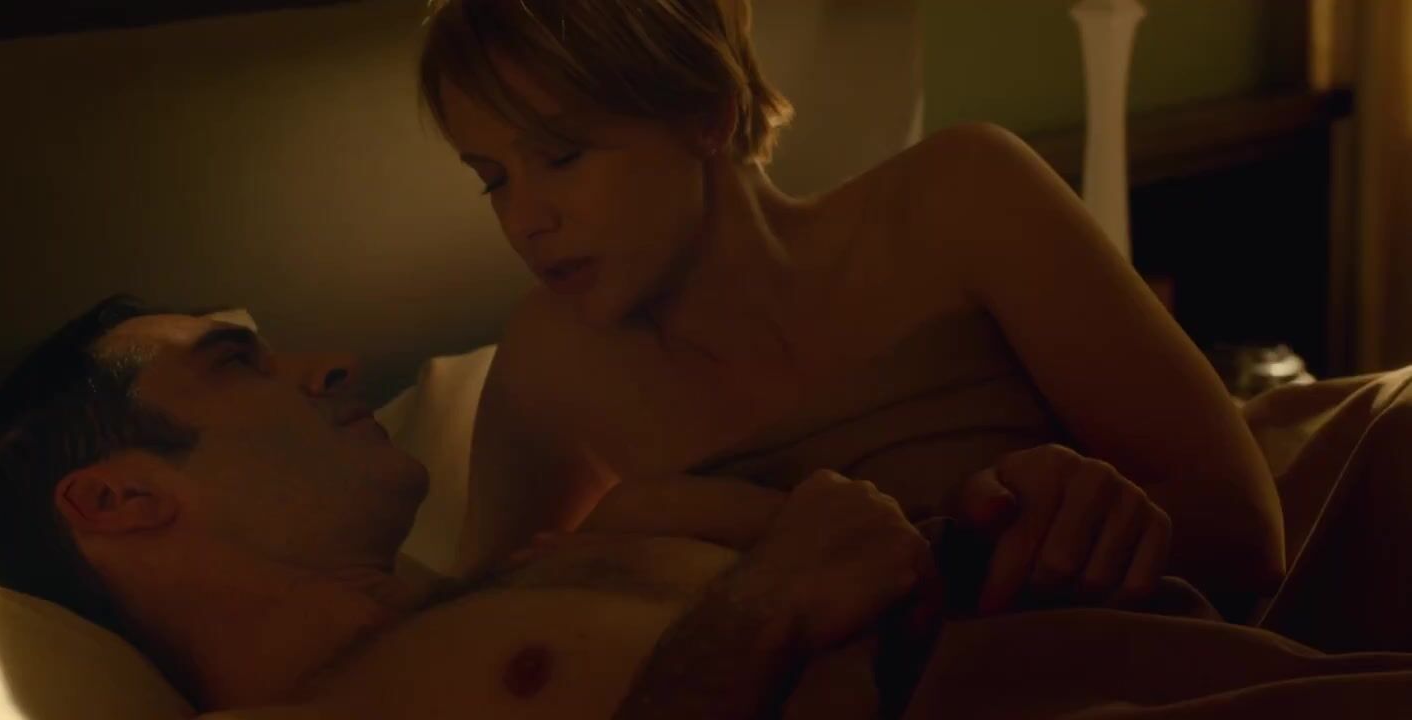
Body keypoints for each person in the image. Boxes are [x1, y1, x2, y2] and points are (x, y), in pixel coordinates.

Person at [416, 0, 1286, 610]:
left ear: (705, 114)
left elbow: (1248, 535)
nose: (524, 221)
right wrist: (638, 529)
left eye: (561, 157)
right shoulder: (552, 362)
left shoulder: (960, 199)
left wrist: (1084, 533)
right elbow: (480, 650)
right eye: (491, 179)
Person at [0, 296, 951, 717]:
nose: (331, 364)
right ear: (119, 499)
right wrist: (768, 613)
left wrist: (1012, 512)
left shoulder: (617, 533)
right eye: (237, 364)